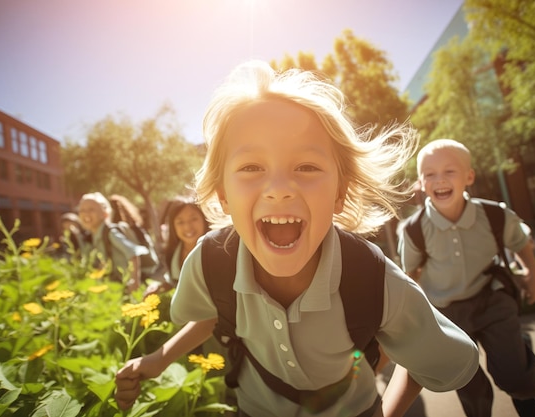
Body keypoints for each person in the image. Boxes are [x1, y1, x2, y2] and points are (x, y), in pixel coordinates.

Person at [115, 60, 479, 417]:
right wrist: (156, 361)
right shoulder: (210, 263)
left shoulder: (375, 279)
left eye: (306, 166)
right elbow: (214, 314)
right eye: (251, 167)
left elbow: (431, 360)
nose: (278, 189)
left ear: (340, 191)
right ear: (223, 195)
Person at [398, 139, 535, 417]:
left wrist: (531, 272)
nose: (439, 180)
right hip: (446, 312)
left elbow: (520, 242)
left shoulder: (493, 216)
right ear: (420, 182)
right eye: (430, 174)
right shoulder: (414, 230)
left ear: (469, 176)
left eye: (449, 171)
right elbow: (410, 275)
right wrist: (412, 319)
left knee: (514, 374)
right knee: (468, 382)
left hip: (491, 298)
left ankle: (526, 394)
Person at [77, 192, 150, 292]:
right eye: (82, 210)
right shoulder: (95, 235)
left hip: (128, 285)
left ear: (104, 213)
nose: (86, 213)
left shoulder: (110, 233)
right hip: (117, 284)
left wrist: (134, 282)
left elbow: (133, 254)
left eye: (91, 209)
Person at [143, 196, 210, 297]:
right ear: (173, 226)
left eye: (193, 219)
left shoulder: (217, 252)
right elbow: (174, 282)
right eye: (180, 222)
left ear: (204, 219)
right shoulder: (172, 253)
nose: (187, 227)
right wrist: (160, 287)